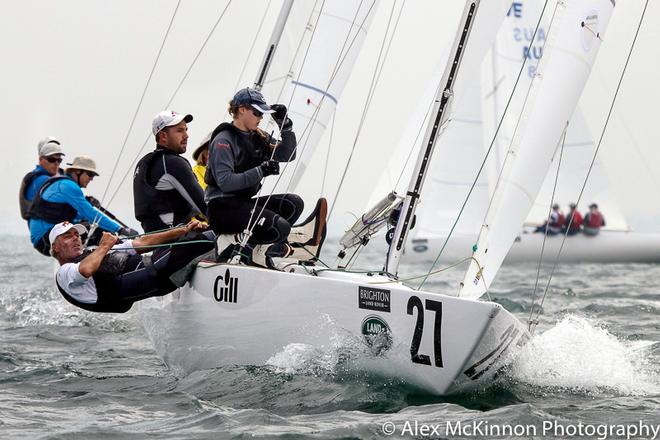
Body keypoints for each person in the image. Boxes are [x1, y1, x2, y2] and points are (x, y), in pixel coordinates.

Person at [205, 87, 326, 268]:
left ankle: (257, 251)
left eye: (263, 113)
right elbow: (226, 183)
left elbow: (288, 154)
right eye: (257, 112)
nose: (261, 117)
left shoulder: (258, 137)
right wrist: (261, 171)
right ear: (241, 110)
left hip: (242, 204)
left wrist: (286, 127)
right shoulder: (224, 140)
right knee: (281, 228)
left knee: (293, 204)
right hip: (222, 209)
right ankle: (228, 241)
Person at [50, 219, 215, 313]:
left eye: (77, 235)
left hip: (147, 272)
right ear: (55, 247)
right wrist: (104, 246)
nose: (76, 239)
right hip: (134, 283)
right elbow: (85, 270)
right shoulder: (63, 273)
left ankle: (221, 242)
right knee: (183, 250)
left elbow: (143, 242)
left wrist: (183, 230)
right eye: (67, 236)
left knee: (189, 238)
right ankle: (224, 234)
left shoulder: (92, 252)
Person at [29, 156, 137, 256]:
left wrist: (87, 202)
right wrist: (121, 229)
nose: (91, 178)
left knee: (98, 229)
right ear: (77, 172)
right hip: (45, 240)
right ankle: (126, 256)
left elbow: (78, 215)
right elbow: (91, 214)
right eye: (90, 174)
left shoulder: (63, 184)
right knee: (102, 232)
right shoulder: (68, 186)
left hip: (44, 239)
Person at [133, 110, 207, 233]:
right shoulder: (173, 163)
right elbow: (204, 205)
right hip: (176, 242)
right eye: (179, 130)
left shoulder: (144, 163)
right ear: (163, 136)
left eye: (186, 130)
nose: (186, 136)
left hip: (155, 241)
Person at [19, 136, 65, 226]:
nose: (56, 162)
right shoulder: (40, 179)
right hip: (47, 228)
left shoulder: (57, 176)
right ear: (41, 157)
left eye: (59, 159)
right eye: (51, 158)